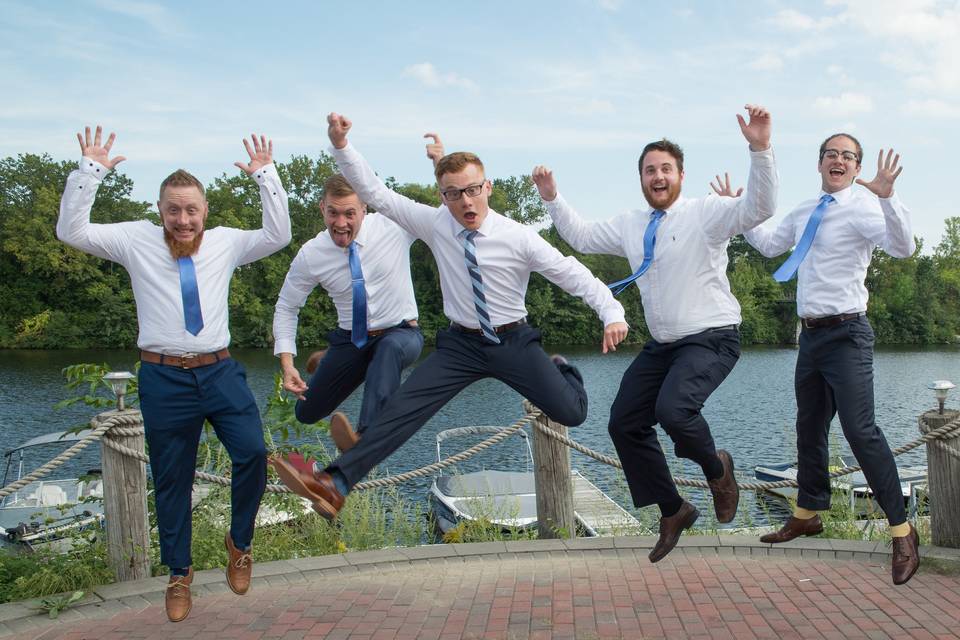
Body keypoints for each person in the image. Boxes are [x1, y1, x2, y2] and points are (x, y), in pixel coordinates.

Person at [269, 113, 629, 519]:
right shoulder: (435, 223)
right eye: (454, 194)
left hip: (513, 340)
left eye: (473, 190)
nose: (466, 202)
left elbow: (572, 273)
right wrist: (340, 146)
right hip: (461, 345)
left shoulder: (518, 236)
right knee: (403, 409)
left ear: (487, 188)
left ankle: (563, 370)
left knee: (572, 413)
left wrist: (611, 311)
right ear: (443, 197)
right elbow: (375, 191)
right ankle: (335, 483)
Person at [56, 126, 291, 621]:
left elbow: (279, 235)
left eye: (191, 210)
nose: (183, 220)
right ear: (160, 209)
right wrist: (89, 172)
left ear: (205, 212)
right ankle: (179, 574)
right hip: (164, 379)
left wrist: (265, 176)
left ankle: (240, 542)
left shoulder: (226, 243)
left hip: (220, 371)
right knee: (171, 479)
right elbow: (71, 232)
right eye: (173, 210)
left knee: (252, 453)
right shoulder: (133, 240)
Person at [530, 105, 778, 563]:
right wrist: (551, 199)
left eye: (666, 169)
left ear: (681, 174)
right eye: (649, 171)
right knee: (624, 422)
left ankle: (717, 468)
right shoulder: (630, 223)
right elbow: (581, 237)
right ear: (641, 179)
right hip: (663, 346)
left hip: (712, 337)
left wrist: (760, 149)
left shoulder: (708, 213)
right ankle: (673, 508)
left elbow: (759, 207)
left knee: (674, 410)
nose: (657, 176)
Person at [740, 134, 919, 585]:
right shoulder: (804, 210)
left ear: (857, 168)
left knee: (861, 430)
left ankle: (902, 531)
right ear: (819, 164)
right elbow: (765, 244)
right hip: (812, 337)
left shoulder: (864, 207)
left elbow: (904, 248)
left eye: (847, 156)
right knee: (809, 427)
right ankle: (807, 513)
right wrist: (737, 210)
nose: (838, 160)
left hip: (848, 334)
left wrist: (889, 197)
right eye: (831, 154)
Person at [272, 172, 423, 452]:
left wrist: (440, 163)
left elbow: (442, 218)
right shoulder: (312, 254)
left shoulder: (394, 225)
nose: (341, 224)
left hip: (401, 334)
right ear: (322, 208)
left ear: (365, 208)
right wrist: (287, 363)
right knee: (306, 413)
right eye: (333, 213)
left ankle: (365, 438)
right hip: (351, 340)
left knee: (387, 349)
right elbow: (286, 307)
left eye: (349, 214)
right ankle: (336, 361)